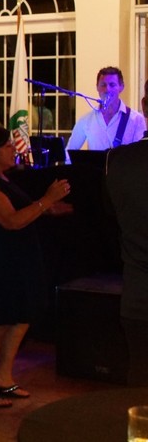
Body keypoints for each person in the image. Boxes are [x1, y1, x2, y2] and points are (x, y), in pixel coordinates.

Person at [0, 125, 71, 406]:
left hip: (12, 260)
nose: (13, 149)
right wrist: (47, 200)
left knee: (21, 317)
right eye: (6, 145)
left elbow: (24, 210)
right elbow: (11, 221)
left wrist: (56, 208)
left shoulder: (3, 179)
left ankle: (3, 377)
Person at [105, 80, 148, 386]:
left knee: (140, 375)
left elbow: (110, 216)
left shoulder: (118, 160)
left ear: (144, 106)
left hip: (137, 296)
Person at [66, 66, 146, 153]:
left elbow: (140, 154)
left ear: (121, 87)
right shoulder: (86, 120)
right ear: (97, 87)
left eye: (112, 85)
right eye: (103, 85)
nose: (107, 89)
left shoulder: (136, 120)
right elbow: (69, 153)